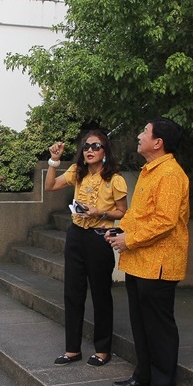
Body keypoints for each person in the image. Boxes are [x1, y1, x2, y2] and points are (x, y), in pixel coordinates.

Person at [106, 118, 189, 386]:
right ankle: (143, 375)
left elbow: (164, 222)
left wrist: (129, 240)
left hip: (160, 263)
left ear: (158, 142)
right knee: (140, 323)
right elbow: (138, 214)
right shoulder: (150, 171)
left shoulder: (170, 174)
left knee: (159, 326)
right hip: (140, 261)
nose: (139, 135)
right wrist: (119, 230)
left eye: (144, 131)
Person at [46, 130, 128, 367]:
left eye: (95, 146)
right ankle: (72, 349)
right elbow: (50, 186)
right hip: (76, 235)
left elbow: (123, 211)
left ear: (105, 152)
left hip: (99, 237)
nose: (89, 150)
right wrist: (54, 161)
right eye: (86, 147)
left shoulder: (115, 179)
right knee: (72, 292)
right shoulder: (77, 172)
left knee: (101, 293)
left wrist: (101, 213)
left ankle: (103, 349)